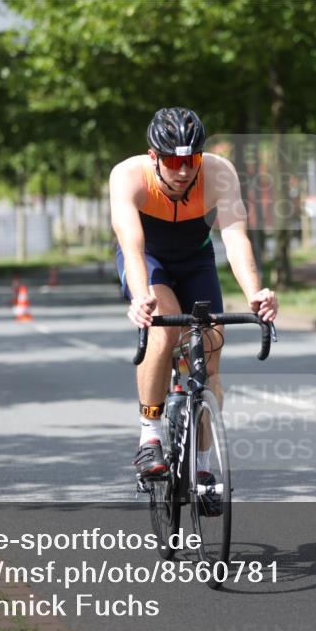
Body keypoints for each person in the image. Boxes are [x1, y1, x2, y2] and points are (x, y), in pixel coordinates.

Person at [109, 107, 278, 482]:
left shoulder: (219, 173)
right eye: (172, 161)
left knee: (211, 349)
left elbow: (235, 238)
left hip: (195, 258)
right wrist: (141, 298)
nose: (183, 170)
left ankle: (201, 466)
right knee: (165, 327)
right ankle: (149, 436)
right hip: (148, 258)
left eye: (191, 160)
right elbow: (132, 246)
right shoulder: (127, 176)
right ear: (154, 156)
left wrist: (255, 292)